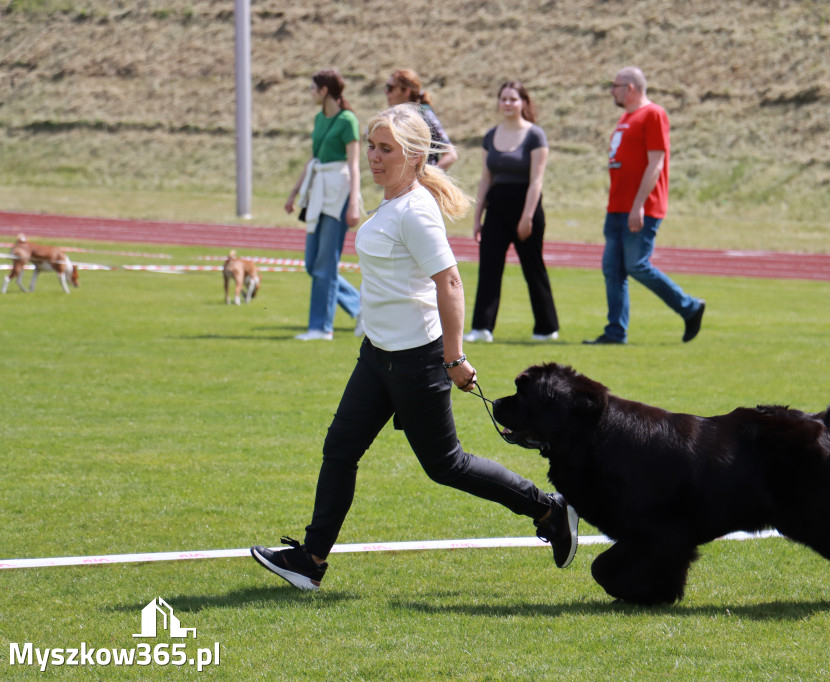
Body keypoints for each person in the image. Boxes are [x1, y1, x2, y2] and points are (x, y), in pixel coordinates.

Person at [251, 103, 579, 591]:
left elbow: (449, 283)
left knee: (446, 465)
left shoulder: (415, 210)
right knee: (339, 449)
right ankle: (310, 561)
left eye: (386, 149)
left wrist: (454, 358)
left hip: (416, 362)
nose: (375, 157)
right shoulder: (392, 201)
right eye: (372, 147)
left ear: (414, 155)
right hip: (377, 355)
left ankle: (549, 509)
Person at [584, 67, 705, 345]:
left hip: (640, 208)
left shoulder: (653, 114)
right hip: (617, 206)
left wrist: (638, 204)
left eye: (615, 86)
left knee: (637, 265)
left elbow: (656, 162)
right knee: (613, 270)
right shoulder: (626, 118)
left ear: (630, 88)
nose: (611, 91)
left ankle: (689, 307)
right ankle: (615, 332)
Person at [465, 81, 559, 344]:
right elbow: (486, 179)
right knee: (489, 268)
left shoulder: (535, 135)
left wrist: (527, 216)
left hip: (526, 207)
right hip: (496, 208)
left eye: (513, 99)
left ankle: (546, 328)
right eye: (503, 99)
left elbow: (536, 180)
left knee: (533, 268)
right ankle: (482, 328)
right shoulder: (490, 136)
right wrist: (477, 216)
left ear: (523, 103)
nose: (508, 103)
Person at [285, 69, 362, 341]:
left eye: (312, 87)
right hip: (318, 190)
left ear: (325, 90)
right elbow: (313, 158)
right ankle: (361, 305)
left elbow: (354, 164)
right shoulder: (319, 119)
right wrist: (294, 193)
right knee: (312, 263)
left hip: (338, 192)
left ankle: (320, 327)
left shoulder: (348, 120)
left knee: (326, 263)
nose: (310, 92)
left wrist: (354, 201)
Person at [384, 69, 458, 170]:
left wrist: (426, 178)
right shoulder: (394, 116)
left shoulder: (424, 114)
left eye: (390, 88)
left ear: (406, 91)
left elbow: (451, 155)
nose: (386, 92)